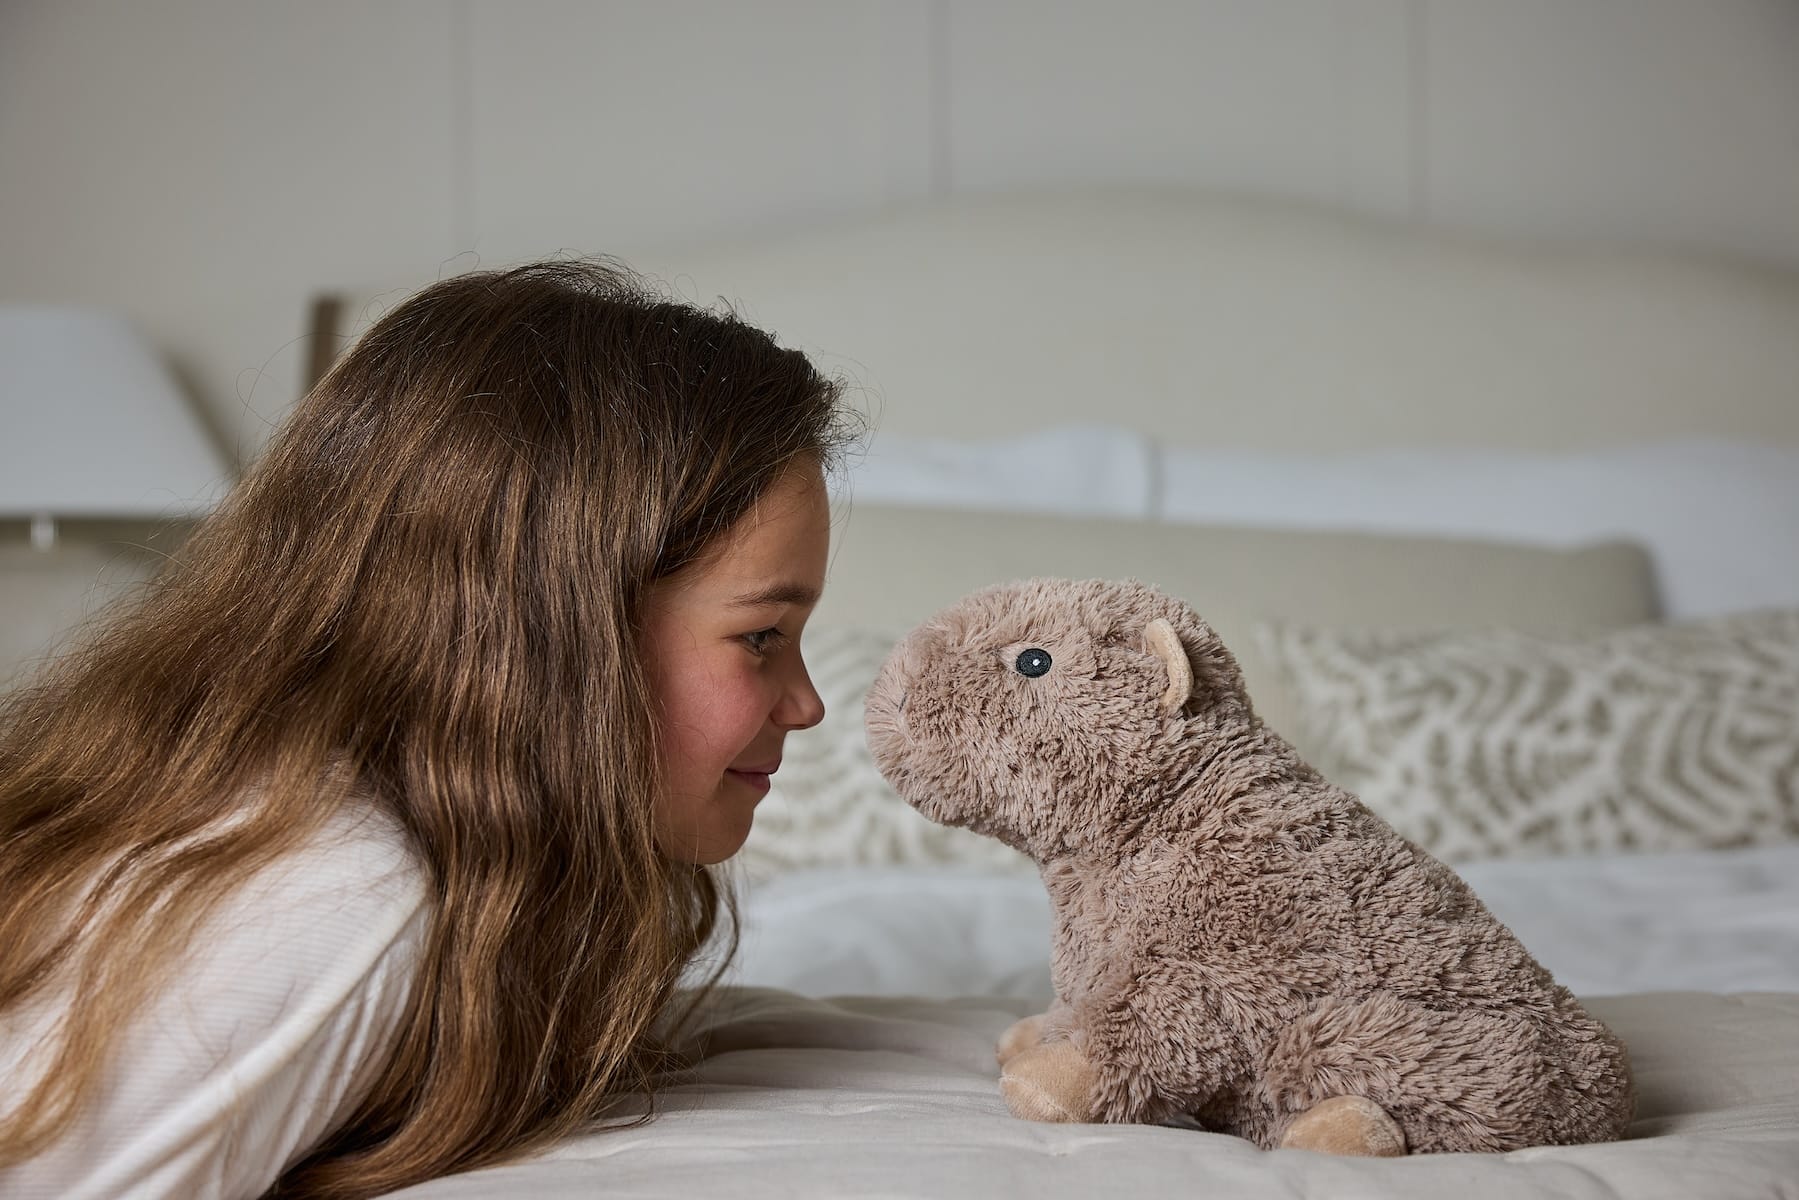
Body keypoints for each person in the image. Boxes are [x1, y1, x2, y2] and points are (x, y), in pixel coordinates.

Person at [0, 260, 856, 1199]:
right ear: (552, 631)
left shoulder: (481, 877)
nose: (805, 703)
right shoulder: (337, 894)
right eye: (761, 637)